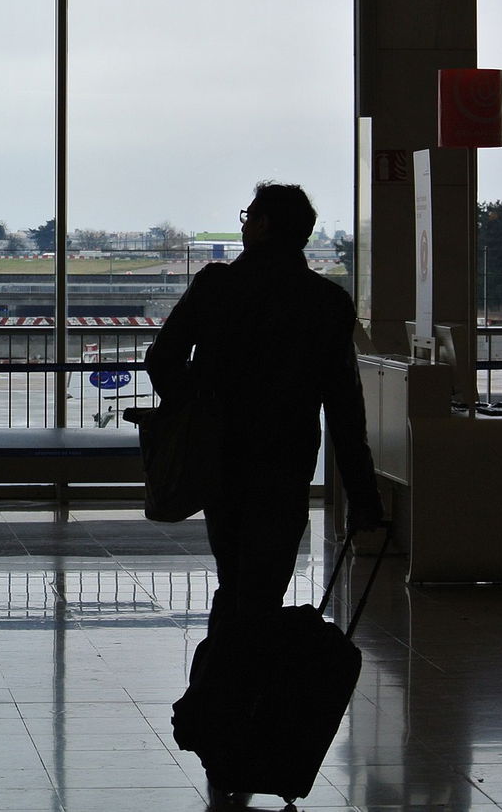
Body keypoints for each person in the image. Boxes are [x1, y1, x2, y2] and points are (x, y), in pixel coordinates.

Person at [146, 182, 383, 646]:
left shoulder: (217, 286)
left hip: (223, 455)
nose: (244, 225)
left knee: (232, 576)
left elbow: (162, 359)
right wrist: (363, 491)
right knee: (263, 585)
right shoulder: (328, 303)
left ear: (263, 225)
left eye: (248, 216)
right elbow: (344, 405)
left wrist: (198, 403)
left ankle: (217, 695)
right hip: (287, 460)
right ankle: (243, 687)